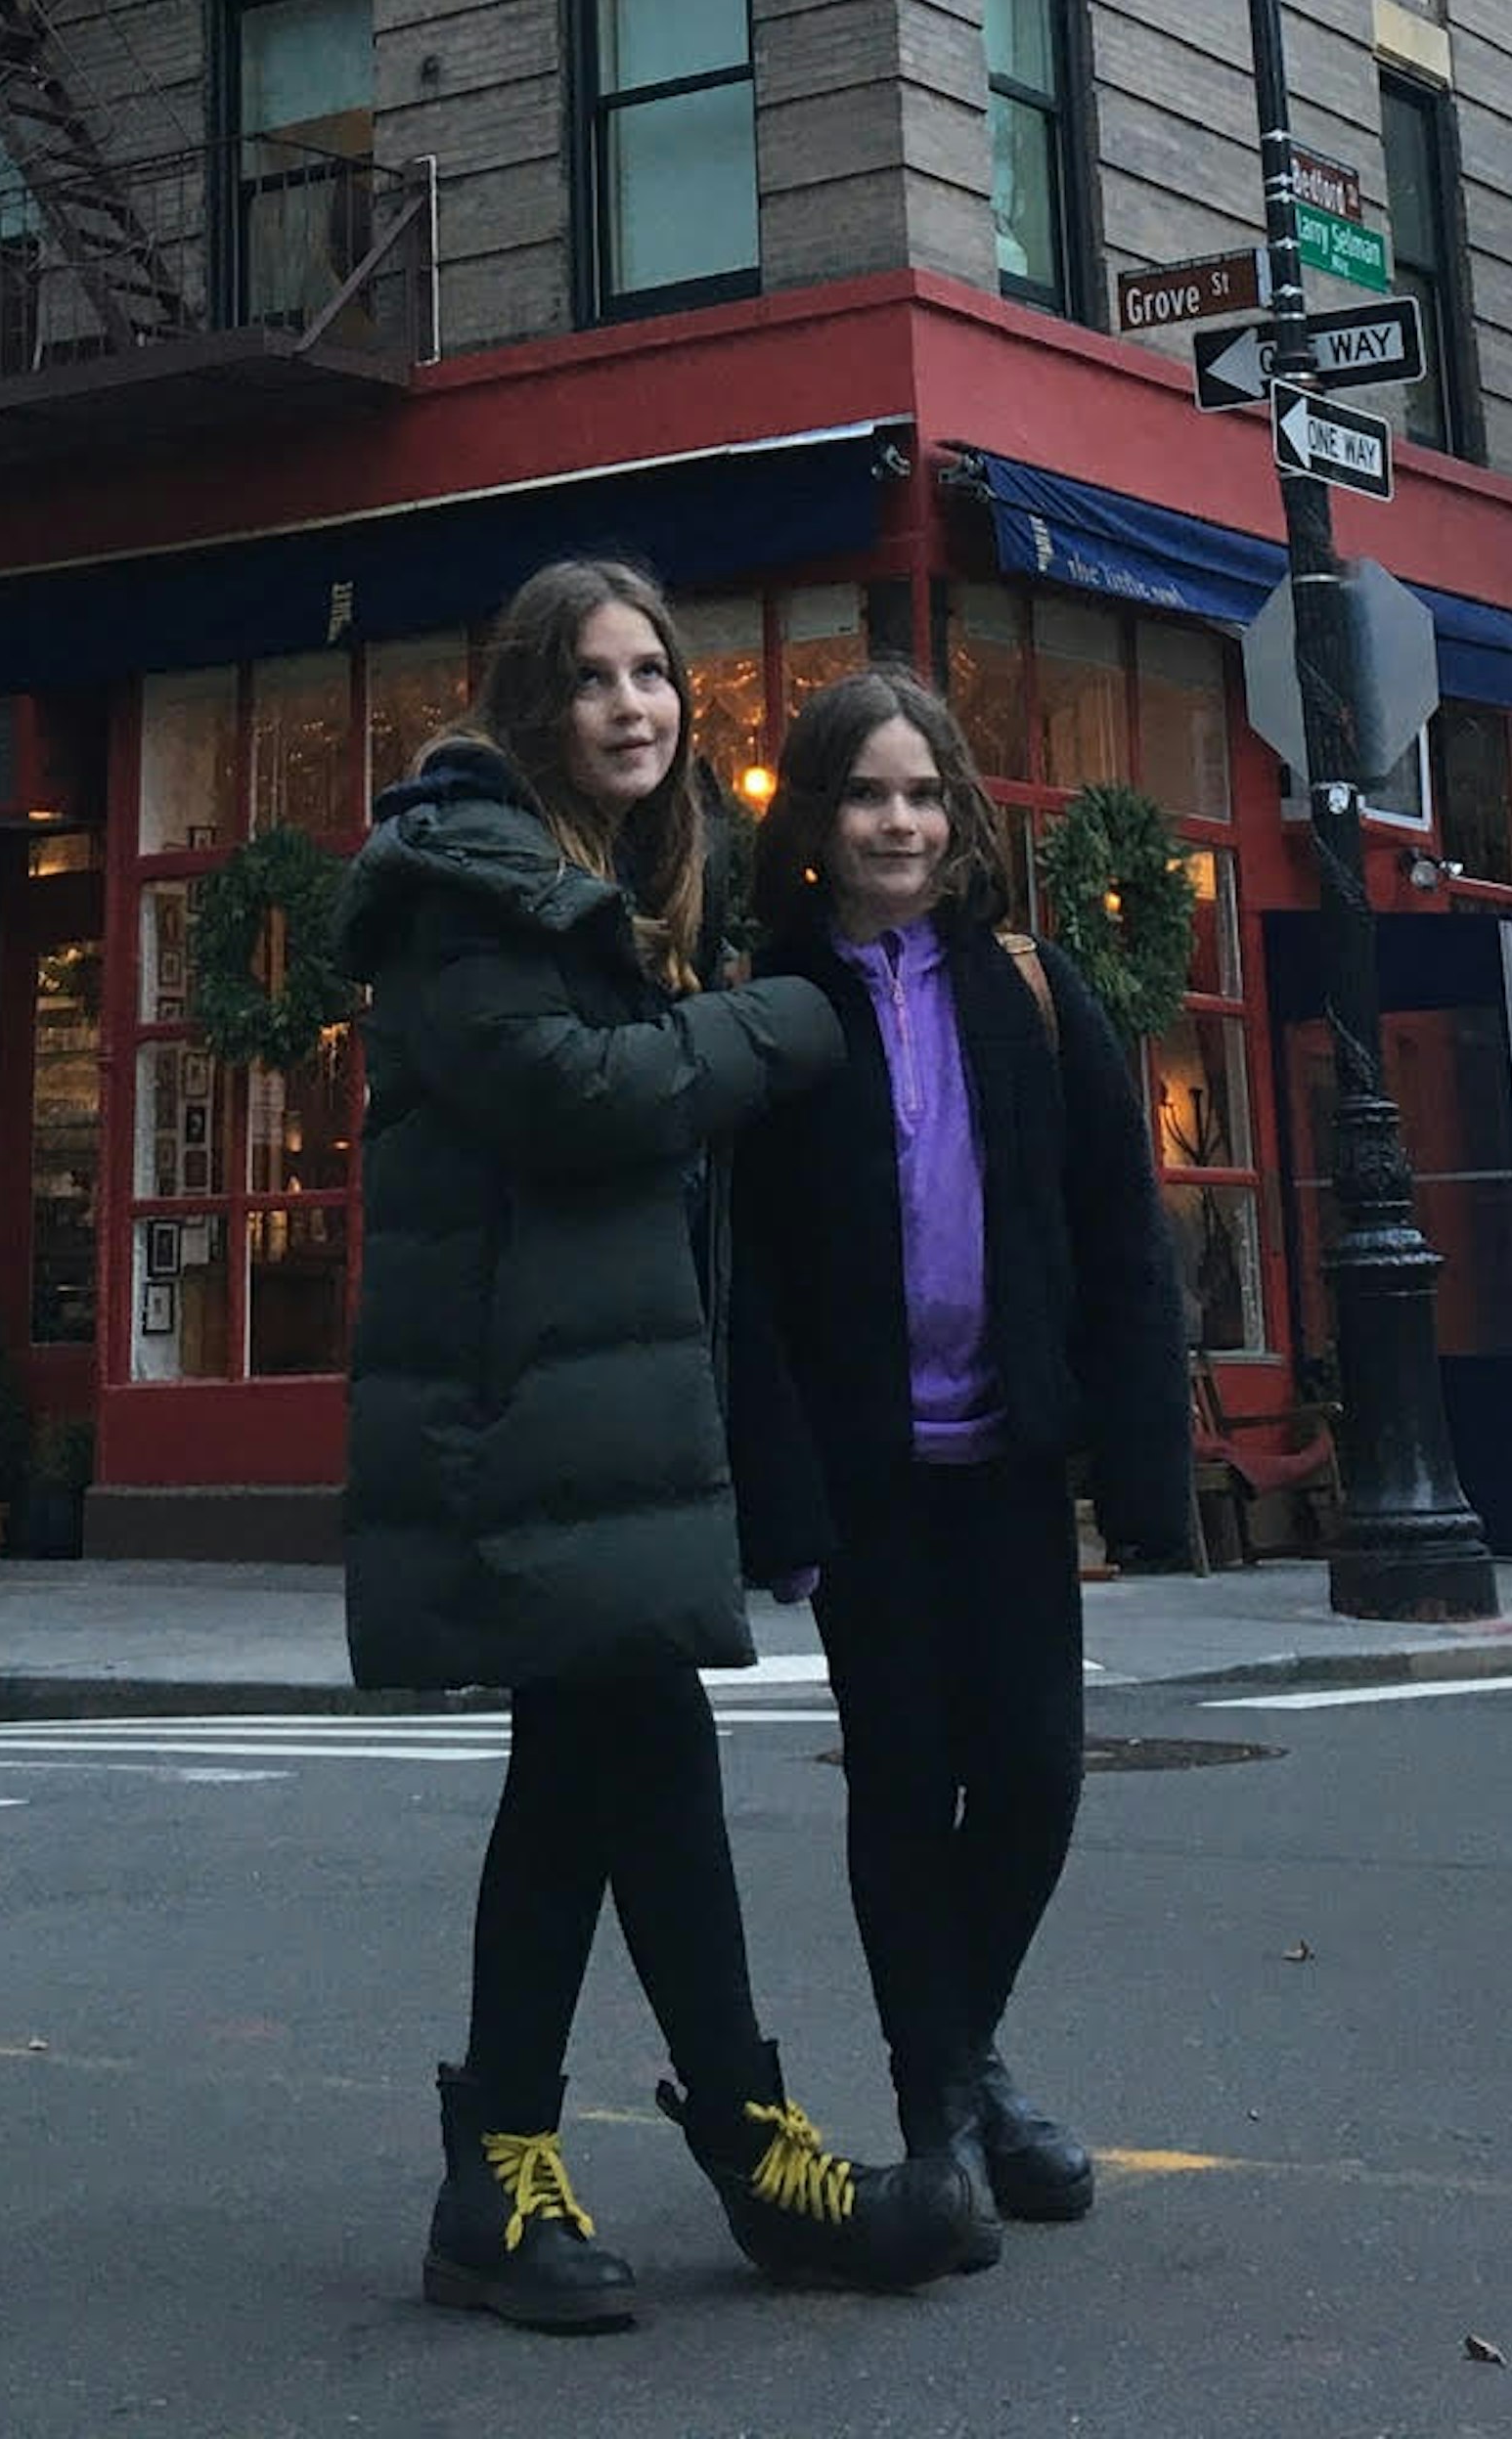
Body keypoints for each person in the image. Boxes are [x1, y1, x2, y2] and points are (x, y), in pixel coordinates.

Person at [341, 556, 973, 2328]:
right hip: (516, 1405)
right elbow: (576, 1098)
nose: (639, 707)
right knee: (629, 1755)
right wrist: (791, 1020)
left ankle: (519, 2171)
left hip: (601, 1405)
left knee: (590, 1771)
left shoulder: (611, 885)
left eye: (657, 678)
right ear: (532, 700)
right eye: (600, 679)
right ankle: (735, 2153)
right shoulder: (464, 889)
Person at [732, 661, 1195, 2258]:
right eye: (867, 792)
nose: (900, 820)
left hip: (1009, 1463)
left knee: (1037, 1782)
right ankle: (942, 2122)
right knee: (902, 1786)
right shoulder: (778, 1001)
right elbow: (752, 1286)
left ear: (962, 813)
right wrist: (778, 1499)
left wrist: (1144, 1480)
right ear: (816, 814)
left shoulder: (1033, 987)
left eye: (924, 791)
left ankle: (966, 2059)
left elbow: (1121, 1240)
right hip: (870, 1482)